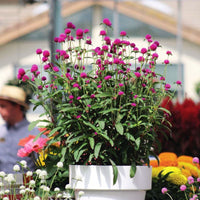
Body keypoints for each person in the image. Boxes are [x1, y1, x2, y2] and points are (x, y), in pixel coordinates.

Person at [0, 85, 39, 173]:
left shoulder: (35, 134)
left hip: (25, 185)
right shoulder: (1, 131)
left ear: (17, 106)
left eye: (3, 106)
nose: (0, 110)